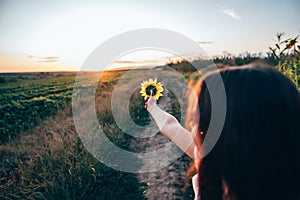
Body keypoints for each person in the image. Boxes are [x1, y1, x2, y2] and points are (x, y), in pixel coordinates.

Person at [145, 63, 300, 200]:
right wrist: (152, 107)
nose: (193, 128)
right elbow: (170, 126)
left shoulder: (216, 164)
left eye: (199, 122)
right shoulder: (218, 160)